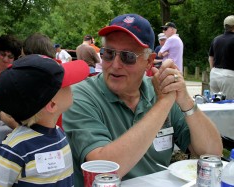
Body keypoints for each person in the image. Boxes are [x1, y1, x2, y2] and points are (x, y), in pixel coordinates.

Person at [63, 14, 223, 186]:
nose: (115, 64)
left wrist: (185, 101)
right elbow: (104, 170)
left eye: (128, 56)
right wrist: (163, 104)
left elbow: (212, 153)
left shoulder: (158, 91)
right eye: (109, 54)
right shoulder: (80, 96)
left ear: (149, 62)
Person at [0, 54, 89, 187]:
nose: (72, 87)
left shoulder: (58, 133)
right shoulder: (16, 148)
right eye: (66, 85)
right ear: (52, 105)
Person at [209, 15, 234, 99]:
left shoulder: (216, 39)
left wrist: (213, 70)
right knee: (229, 105)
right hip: (229, 75)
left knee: (215, 103)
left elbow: (211, 57)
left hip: (214, 73)